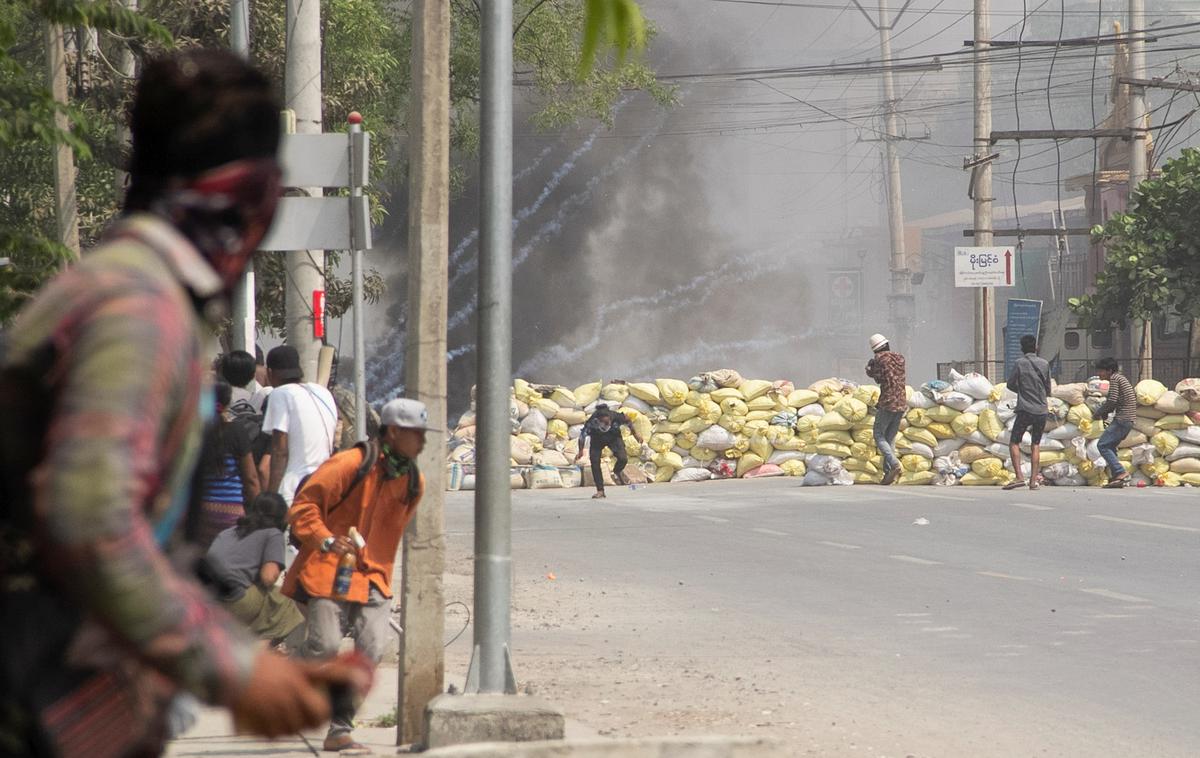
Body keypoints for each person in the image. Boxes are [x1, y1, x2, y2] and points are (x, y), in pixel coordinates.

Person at [0, 49, 364, 756]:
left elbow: (145, 536)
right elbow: (91, 522)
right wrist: (235, 674)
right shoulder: (139, 310)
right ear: (251, 196)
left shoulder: (128, 290)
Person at [285, 398, 433, 753]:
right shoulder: (349, 464)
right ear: (394, 432)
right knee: (327, 647)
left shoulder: (414, 481)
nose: (422, 443)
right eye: (416, 435)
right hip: (329, 568)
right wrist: (324, 540)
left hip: (373, 575)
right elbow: (303, 508)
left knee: (371, 650)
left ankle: (340, 728)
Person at [205, 492, 305, 647]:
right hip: (234, 600)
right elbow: (268, 577)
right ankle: (258, 652)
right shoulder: (273, 534)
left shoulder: (228, 532)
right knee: (283, 598)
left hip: (207, 597)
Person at [262, 344, 338, 504]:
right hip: (325, 484)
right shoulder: (323, 392)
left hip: (294, 489)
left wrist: (272, 497)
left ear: (269, 372)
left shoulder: (280, 394)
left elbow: (279, 450)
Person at [196, 381, 262, 549]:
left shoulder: (197, 432)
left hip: (201, 512)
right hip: (231, 514)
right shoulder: (237, 431)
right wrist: (259, 513)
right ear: (228, 403)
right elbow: (251, 479)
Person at [1003, 335, 1053, 491]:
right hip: (1041, 410)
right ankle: (1033, 481)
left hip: (1025, 409)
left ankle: (1019, 477)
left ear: (1022, 348)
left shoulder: (1019, 363)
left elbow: (1010, 384)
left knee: (1014, 442)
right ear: (1036, 347)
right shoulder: (1044, 364)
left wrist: (1022, 391)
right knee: (1036, 444)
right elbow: (1048, 388)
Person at [575, 404, 644, 499]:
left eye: (608, 422)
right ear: (598, 420)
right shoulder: (592, 422)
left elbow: (628, 421)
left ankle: (617, 471)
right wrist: (580, 451)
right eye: (604, 423)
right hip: (597, 440)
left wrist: (636, 434)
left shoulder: (616, 416)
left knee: (623, 458)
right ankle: (600, 491)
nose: (607, 424)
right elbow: (582, 436)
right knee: (594, 462)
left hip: (614, 437)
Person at [865, 333, 906, 485]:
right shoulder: (900, 358)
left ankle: (894, 464)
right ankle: (888, 473)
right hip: (901, 401)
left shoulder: (879, 359)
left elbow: (878, 379)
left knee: (878, 434)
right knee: (890, 438)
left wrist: (870, 369)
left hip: (888, 402)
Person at [1094, 357, 1138, 488]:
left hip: (1122, 419)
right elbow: (1117, 399)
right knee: (1110, 446)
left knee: (1102, 445)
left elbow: (1112, 400)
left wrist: (1099, 412)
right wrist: (1107, 411)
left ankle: (1120, 472)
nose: (1099, 374)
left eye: (1101, 370)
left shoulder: (1114, 378)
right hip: (1127, 419)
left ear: (1109, 370)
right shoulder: (1120, 378)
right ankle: (1116, 478)